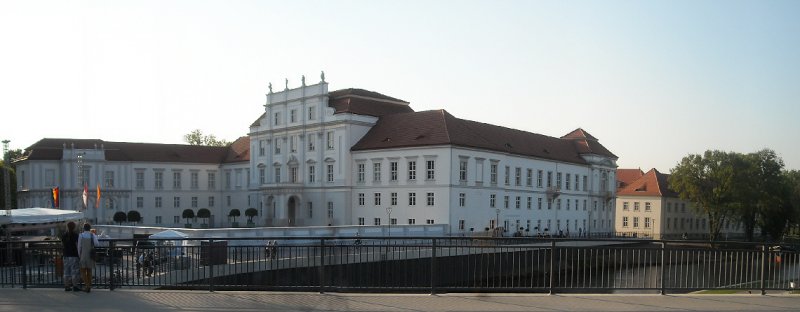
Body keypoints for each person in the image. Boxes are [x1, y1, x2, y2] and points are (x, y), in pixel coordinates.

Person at [76, 222, 100, 293]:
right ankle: (89, 285)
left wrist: (79, 255)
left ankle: (87, 286)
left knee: (83, 271)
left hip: (83, 255)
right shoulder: (92, 235)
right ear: (90, 228)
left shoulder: (81, 235)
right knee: (89, 271)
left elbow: (79, 246)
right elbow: (97, 244)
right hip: (90, 255)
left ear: (83, 228)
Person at [61, 221, 81, 291]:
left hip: (66, 255)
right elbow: (77, 245)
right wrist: (79, 255)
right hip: (74, 255)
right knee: (74, 271)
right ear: (74, 227)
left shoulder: (64, 235)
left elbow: (63, 245)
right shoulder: (75, 235)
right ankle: (75, 286)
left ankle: (67, 286)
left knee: (66, 271)